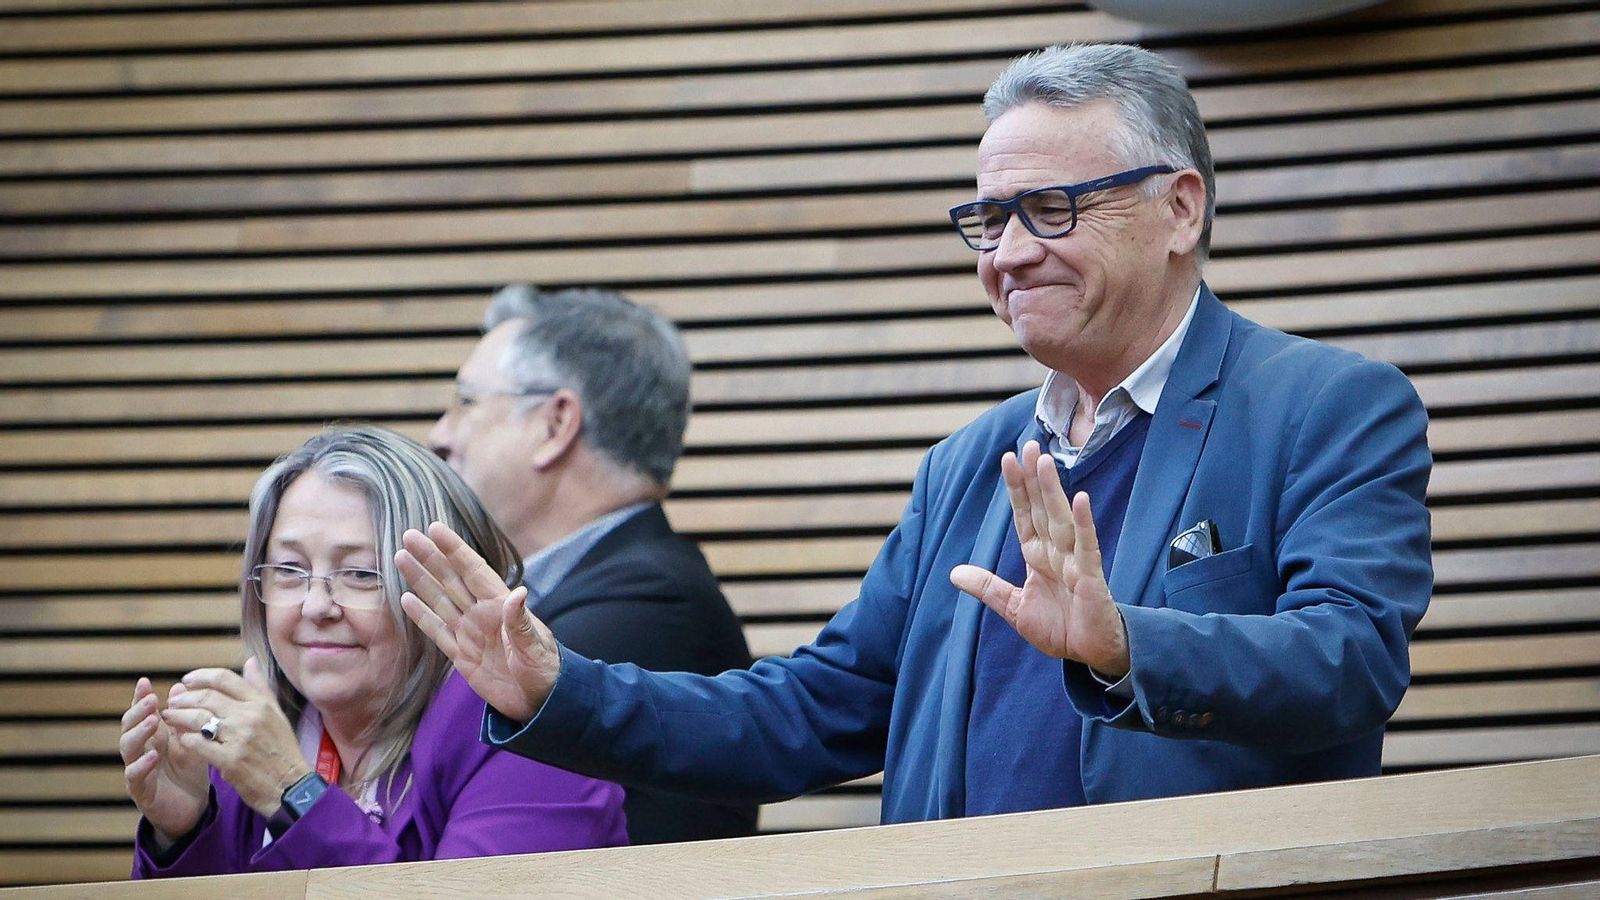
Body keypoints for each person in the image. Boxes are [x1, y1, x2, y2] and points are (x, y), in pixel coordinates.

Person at [397, 43, 1433, 823]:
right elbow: (808, 711)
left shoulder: (1324, 404)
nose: (1012, 253)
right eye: (990, 220)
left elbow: (1347, 661)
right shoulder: (967, 466)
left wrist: (1123, 645)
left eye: (1054, 208)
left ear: (1180, 208)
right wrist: (559, 689)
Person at [119, 426, 627, 877]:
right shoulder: (252, 731)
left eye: (360, 573)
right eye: (290, 571)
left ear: (443, 590)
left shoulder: (524, 730)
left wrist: (295, 795)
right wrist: (185, 833)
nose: (316, 605)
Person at [425, 285, 756, 844]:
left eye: (466, 401)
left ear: (555, 425)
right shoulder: (620, 587)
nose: (440, 434)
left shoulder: (647, 608)